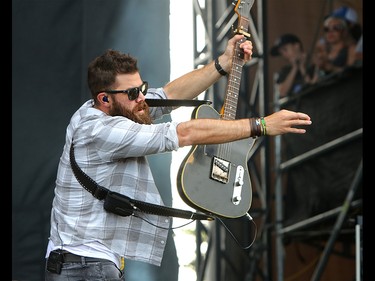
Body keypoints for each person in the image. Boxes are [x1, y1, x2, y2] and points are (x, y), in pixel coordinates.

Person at [44, 34, 312, 281]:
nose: (142, 98)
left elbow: (169, 94)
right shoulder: (100, 130)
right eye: (133, 93)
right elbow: (184, 132)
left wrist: (223, 64)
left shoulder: (106, 109)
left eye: (142, 88)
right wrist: (261, 125)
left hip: (87, 264)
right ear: (104, 98)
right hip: (84, 266)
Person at [270, 33, 309, 98]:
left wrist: (302, 67)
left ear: (297, 46)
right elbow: (282, 92)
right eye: (281, 53)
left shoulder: (313, 62)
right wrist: (295, 68)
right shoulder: (284, 71)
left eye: (285, 49)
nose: (284, 55)